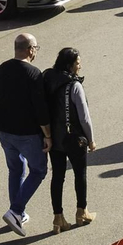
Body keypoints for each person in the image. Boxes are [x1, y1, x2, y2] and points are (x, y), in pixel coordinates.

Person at [0, 33, 51, 236]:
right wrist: (48, 134)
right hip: (27, 132)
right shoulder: (34, 74)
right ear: (30, 49)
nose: (36, 51)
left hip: (4, 130)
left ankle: (18, 211)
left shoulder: (1, 69)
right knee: (39, 170)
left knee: (16, 169)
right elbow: (40, 108)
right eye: (36, 48)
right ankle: (16, 211)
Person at [42, 47, 95, 233]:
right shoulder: (74, 86)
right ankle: (82, 212)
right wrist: (91, 139)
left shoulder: (48, 80)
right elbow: (84, 118)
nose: (80, 66)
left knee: (57, 176)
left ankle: (58, 218)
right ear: (70, 65)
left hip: (54, 139)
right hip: (74, 139)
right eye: (78, 63)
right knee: (79, 174)